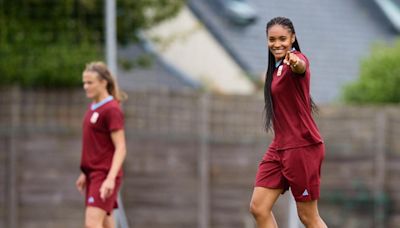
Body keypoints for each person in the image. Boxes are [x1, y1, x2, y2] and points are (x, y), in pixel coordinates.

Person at [249, 17, 327, 228]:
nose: (277, 44)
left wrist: (296, 63)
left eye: (283, 38)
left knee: (308, 217)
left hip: (302, 146)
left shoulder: (296, 61)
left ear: (293, 38)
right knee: (258, 207)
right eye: (272, 39)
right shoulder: (274, 70)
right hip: (280, 147)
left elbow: (301, 67)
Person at [75, 61, 127, 228]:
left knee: (92, 224)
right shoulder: (93, 107)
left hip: (104, 175)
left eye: (90, 82)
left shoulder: (111, 109)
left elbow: (121, 147)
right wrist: (86, 172)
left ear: (103, 83)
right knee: (106, 225)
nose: (85, 86)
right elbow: (97, 145)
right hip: (93, 174)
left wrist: (110, 178)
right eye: (84, 82)